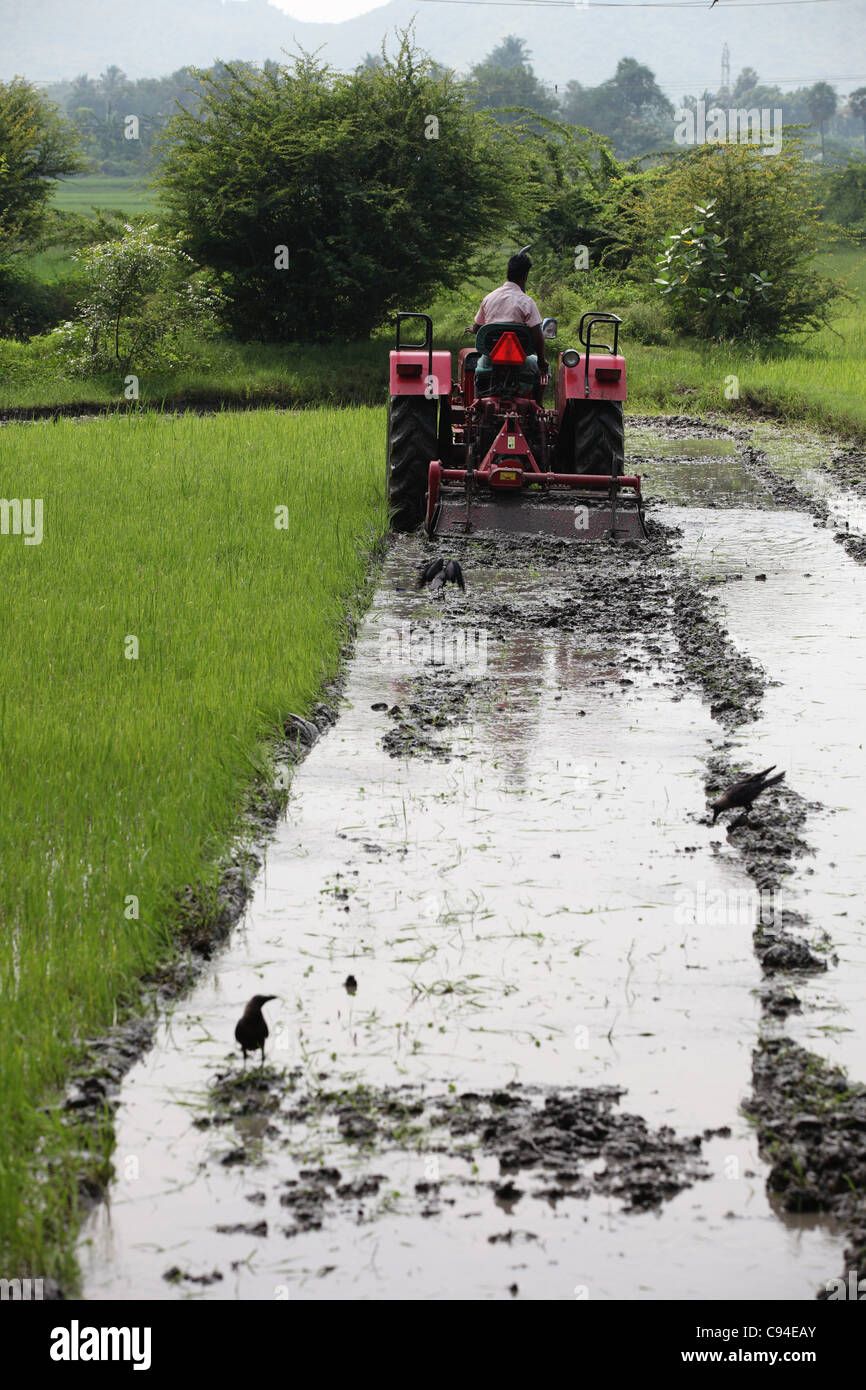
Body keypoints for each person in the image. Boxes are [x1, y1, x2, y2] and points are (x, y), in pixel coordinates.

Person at [468, 251, 548, 380]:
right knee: (545, 370)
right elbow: (537, 336)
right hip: (520, 362)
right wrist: (541, 360)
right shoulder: (527, 302)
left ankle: (477, 397)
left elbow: (478, 328)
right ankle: (538, 400)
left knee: (478, 371)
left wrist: (472, 329)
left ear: (508, 272)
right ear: (525, 276)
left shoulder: (489, 298)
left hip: (491, 360)